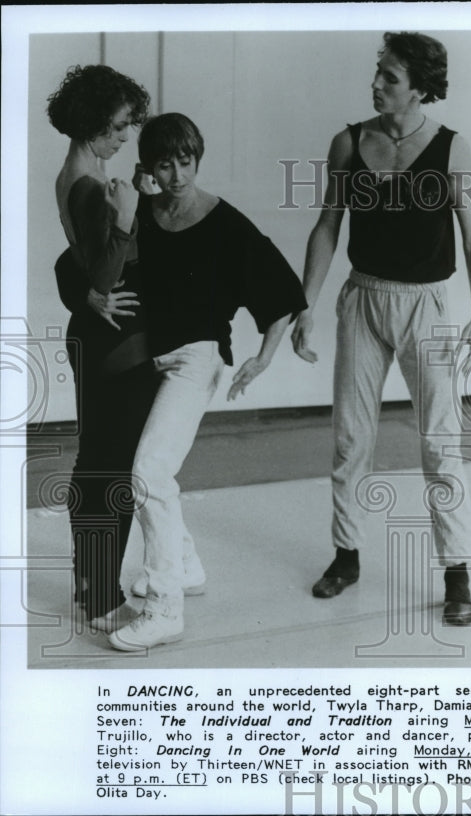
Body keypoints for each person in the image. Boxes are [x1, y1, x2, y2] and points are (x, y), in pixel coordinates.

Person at [291, 32, 471, 625]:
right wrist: (305, 303)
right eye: (377, 72)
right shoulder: (348, 143)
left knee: (439, 442)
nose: (375, 84)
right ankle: (346, 556)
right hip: (363, 299)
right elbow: (327, 226)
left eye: (390, 77)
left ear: (421, 88)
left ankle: (457, 575)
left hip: (426, 305)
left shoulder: (453, 148)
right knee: (352, 437)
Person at [107, 113, 307, 651]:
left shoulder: (223, 220)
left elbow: (282, 290)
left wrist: (262, 358)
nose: (177, 175)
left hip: (197, 358)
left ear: (198, 159)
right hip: (145, 357)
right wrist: (130, 200)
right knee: (152, 471)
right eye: (165, 164)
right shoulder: (141, 211)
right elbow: (100, 265)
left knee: (149, 471)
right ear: (148, 166)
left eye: (186, 162)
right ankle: (186, 565)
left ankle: (165, 605)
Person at [47, 64, 157, 632]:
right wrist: (129, 215)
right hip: (112, 342)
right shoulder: (92, 185)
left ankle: (90, 588)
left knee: (98, 462)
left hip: (97, 337)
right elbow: (105, 275)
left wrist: (87, 295)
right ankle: (102, 601)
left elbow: (77, 269)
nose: (123, 137)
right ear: (91, 122)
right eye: (116, 127)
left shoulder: (73, 173)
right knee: (109, 469)